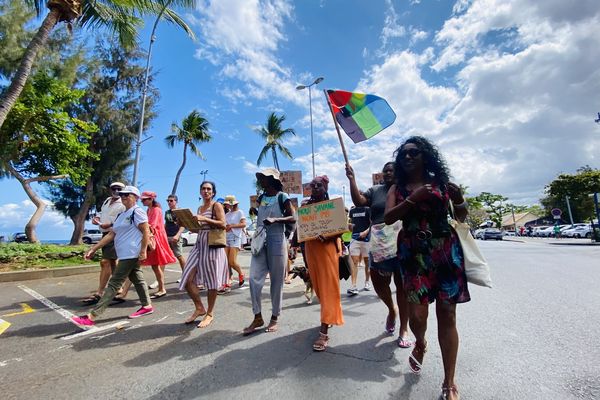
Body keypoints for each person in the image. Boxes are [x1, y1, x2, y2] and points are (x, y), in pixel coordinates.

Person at [384, 136, 469, 400]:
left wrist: (460, 199)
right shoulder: (397, 188)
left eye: (414, 152)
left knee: (448, 314)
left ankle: (449, 382)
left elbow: (461, 216)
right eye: (404, 154)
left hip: (445, 249)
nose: (408, 157)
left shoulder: (440, 184)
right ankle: (420, 342)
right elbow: (388, 218)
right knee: (418, 316)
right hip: (413, 252)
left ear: (426, 156)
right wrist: (413, 199)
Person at [346, 161, 411, 347]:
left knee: (402, 286)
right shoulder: (375, 191)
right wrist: (352, 179)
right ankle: (392, 310)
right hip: (379, 242)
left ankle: (404, 329)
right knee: (379, 284)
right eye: (385, 171)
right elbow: (359, 201)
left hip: (401, 241)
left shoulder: (406, 189)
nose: (388, 173)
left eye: (392, 170)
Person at [72, 186, 153, 328]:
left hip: (132, 252)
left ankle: (92, 316)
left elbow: (145, 231)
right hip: (125, 253)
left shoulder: (137, 212)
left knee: (114, 283)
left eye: (127, 195)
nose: (123, 197)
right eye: (122, 195)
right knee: (137, 279)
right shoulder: (122, 215)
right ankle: (147, 306)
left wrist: (143, 251)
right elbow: (111, 234)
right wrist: (94, 248)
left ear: (136, 197)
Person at [243, 168, 295, 336]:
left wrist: (277, 219)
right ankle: (257, 316)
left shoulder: (283, 197)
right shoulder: (261, 198)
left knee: (276, 281)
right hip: (260, 239)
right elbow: (261, 215)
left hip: (277, 239)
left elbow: (294, 218)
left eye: (264, 178)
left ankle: (274, 316)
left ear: (272, 180)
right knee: (253, 279)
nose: (261, 181)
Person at [178, 181, 229, 328]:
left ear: (213, 192)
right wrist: (186, 223)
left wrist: (204, 219)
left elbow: (223, 224)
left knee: (212, 282)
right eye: (203, 189)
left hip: (213, 245)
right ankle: (200, 307)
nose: (206, 191)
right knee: (187, 278)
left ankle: (210, 313)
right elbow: (198, 229)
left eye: (209, 189)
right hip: (200, 244)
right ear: (200, 191)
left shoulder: (216, 205)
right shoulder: (200, 208)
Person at [303, 175, 344, 352]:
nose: (316, 188)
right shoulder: (306, 206)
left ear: (326, 187)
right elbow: (301, 231)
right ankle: (329, 315)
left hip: (327, 250)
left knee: (328, 288)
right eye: (313, 185)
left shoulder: (334, 206)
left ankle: (323, 331)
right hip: (311, 250)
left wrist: (327, 235)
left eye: (319, 185)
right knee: (319, 288)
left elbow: (340, 230)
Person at [82, 181, 126, 305]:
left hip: (115, 234)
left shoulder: (123, 203)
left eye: (119, 189)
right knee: (113, 262)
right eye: (114, 188)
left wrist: (110, 224)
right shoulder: (107, 201)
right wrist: (97, 219)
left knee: (105, 261)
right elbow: (102, 213)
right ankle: (119, 287)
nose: (116, 191)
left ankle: (100, 292)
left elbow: (123, 220)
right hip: (105, 233)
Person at [139, 191, 176, 298]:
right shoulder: (149, 209)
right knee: (155, 265)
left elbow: (152, 226)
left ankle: (162, 288)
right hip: (152, 237)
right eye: (142, 199)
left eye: (144, 199)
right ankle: (161, 288)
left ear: (151, 199)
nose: (142, 201)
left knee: (155, 265)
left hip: (155, 239)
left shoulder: (156, 210)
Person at [224, 195, 247, 287]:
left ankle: (241, 273)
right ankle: (229, 278)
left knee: (232, 261)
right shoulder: (226, 214)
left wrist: (231, 226)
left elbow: (243, 224)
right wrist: (226, 228)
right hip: (226, 237)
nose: (226, 206)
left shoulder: (240, 212)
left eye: (227, 204)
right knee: (225, 261)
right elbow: (225, 226)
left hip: (235, 237)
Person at [348, 205, 371, 292]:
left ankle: (367, 282)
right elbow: (351, 224)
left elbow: (372, 223)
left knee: (367, 262)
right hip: (355, 238)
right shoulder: (352, 210)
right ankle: (353, 285)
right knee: (354, 262)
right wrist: (350, 227)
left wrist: (366, 231)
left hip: (366, 240)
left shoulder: (368, 209)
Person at [164, 194, 186, 276]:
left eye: (171, 201)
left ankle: (185, 275)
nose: (169, 202)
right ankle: (160, 280)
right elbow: (166, 224)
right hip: (167, 236)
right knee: (163, 257)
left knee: (179, 256)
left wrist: (177, 235)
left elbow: (183, 225)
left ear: (176, 202)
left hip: (176, 237)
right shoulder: (167, 212)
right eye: (168, 201)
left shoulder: (180, 211)